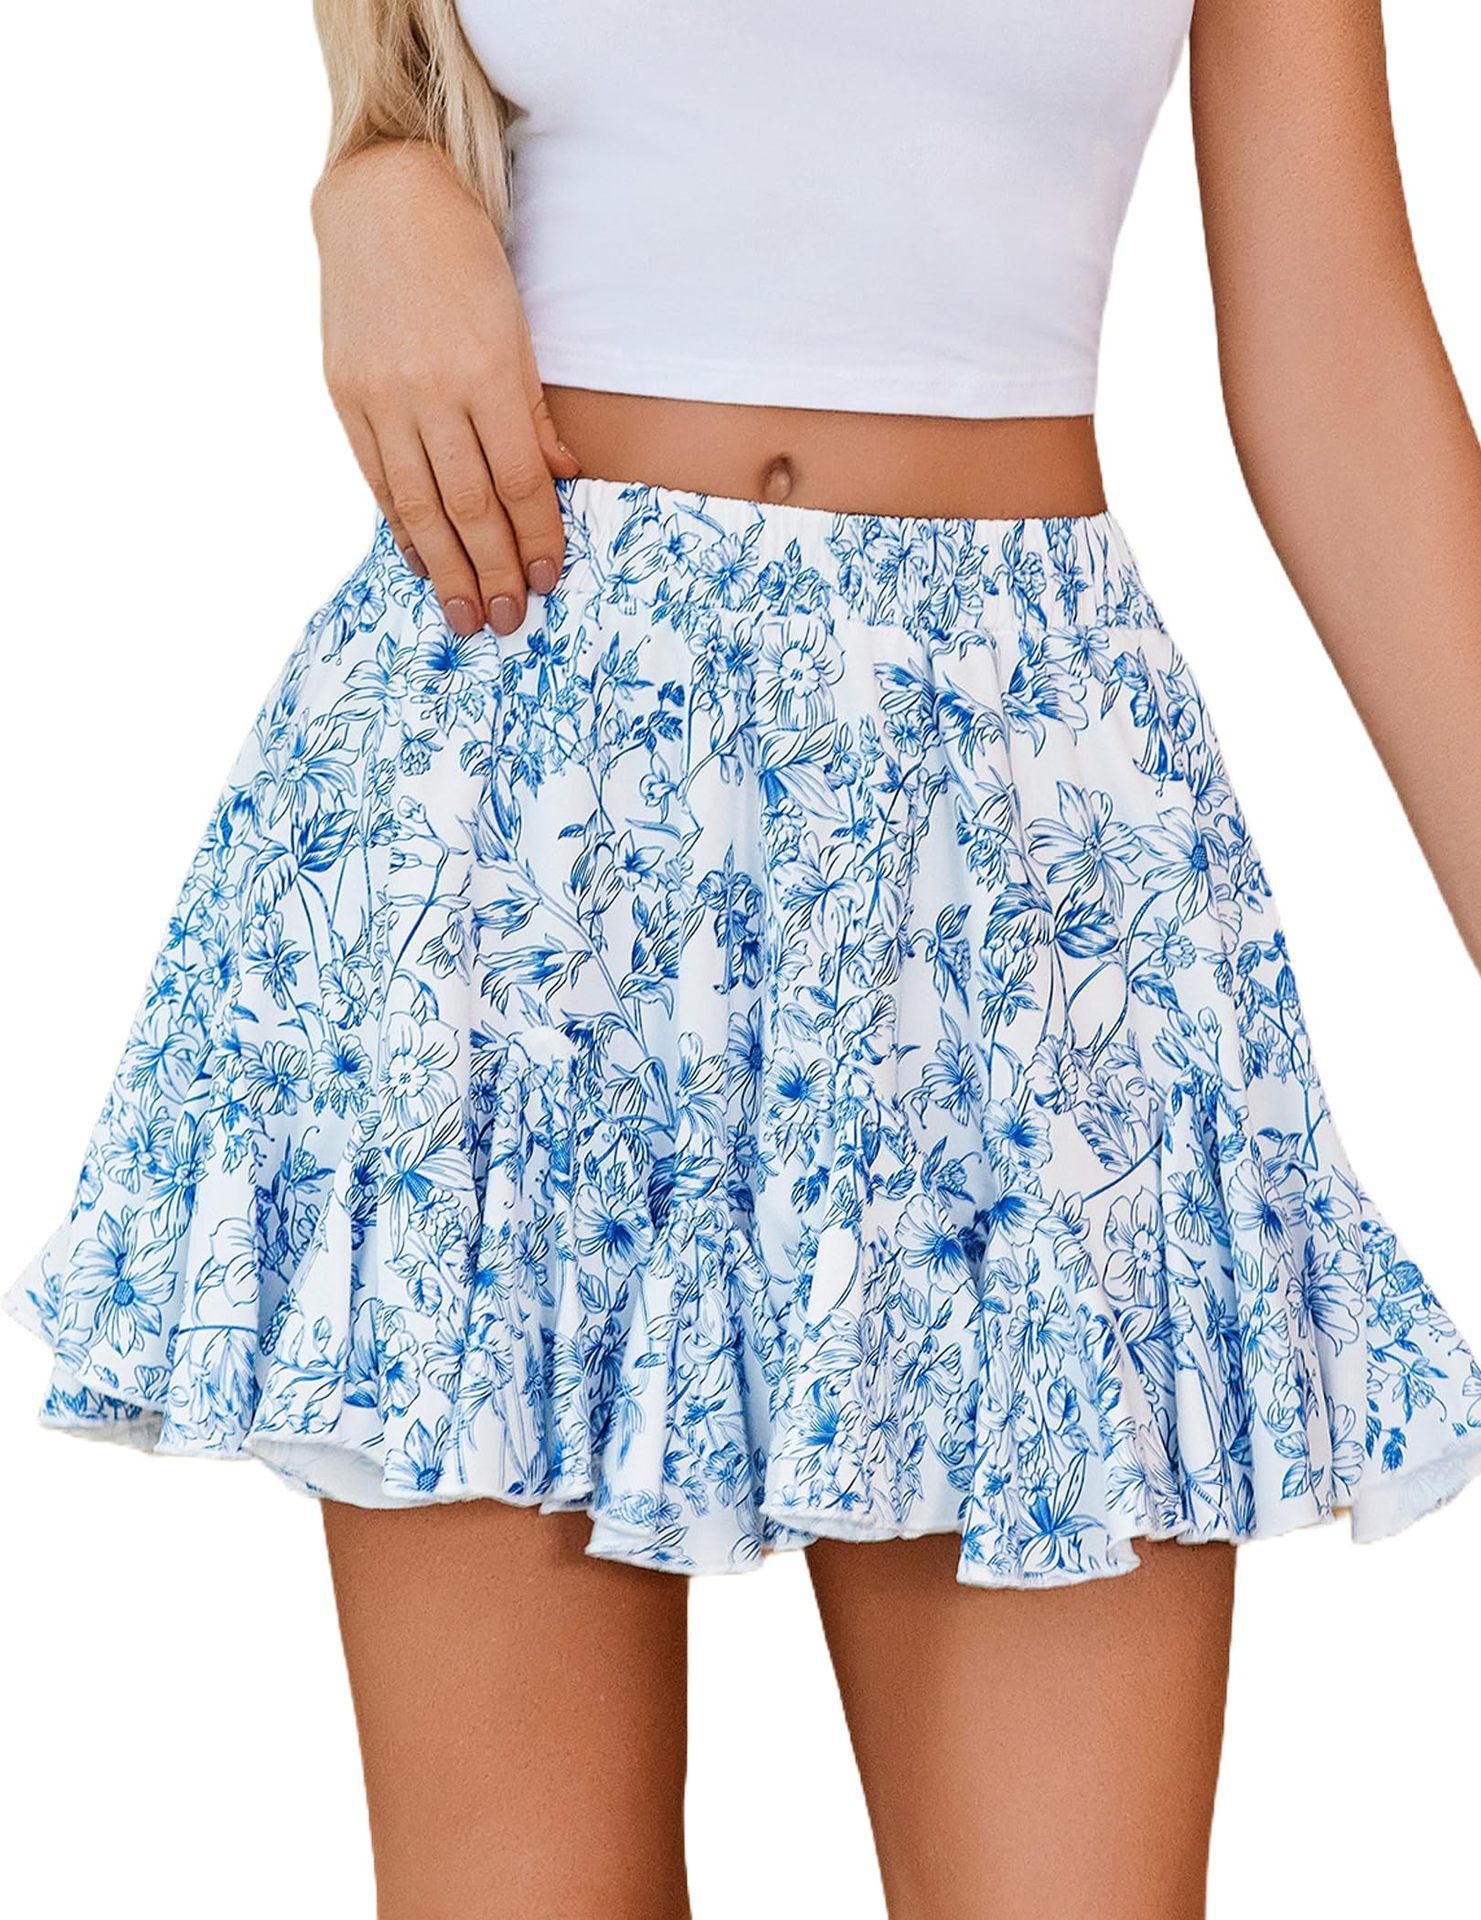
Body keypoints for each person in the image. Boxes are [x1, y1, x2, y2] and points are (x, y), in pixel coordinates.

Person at [8, 3, 1481, 1916]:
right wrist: (367, 179)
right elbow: (412, 81)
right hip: (517, 837)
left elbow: (1338, 358)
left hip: (1015, 863)